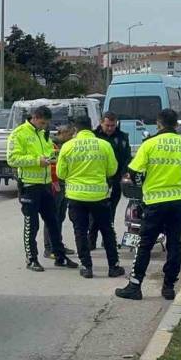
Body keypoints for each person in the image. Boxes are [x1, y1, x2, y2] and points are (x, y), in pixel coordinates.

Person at [116, 109, 181, 301]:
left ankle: (135, 286)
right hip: (178, 203)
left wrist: (141, 185)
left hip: (154, 203)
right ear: (177, 125)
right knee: (174, 244)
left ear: (158, 124)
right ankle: (169, 287)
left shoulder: (149, 144)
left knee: (145, 245)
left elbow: (133, 171)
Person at [7, 106, 79, 271]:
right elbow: (12, 159)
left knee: (53, 222)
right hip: (29, 185)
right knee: (31, 225)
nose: (44, 126)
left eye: (46, 123)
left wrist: (54, 158)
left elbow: (48, 153)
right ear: (34, 117)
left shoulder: (43, 134)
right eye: (42, 123)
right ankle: (31, 259)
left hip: (46, 184)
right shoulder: (19, 133)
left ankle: (59, 256)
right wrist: (37, 161)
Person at [57, 114, 124, 279]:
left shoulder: (67, 146)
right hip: (99, 196)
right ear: (92, 127)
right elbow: (112, 170)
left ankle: (86, 267)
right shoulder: (104, 145)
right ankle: (113, 266)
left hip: (76, 196)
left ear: (75, 129)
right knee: (107, 231)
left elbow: (60, 173)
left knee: (80, 231)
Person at [89, 112, 131, 249]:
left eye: (113, 125)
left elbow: (126, 158)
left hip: (116, 180)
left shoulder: (122, 137)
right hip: (98, 179)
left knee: (110, 210)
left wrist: (124, 175)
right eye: (107, 125)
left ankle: (107, 240)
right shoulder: (93, 136)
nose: (110, 128)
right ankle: (91, 240)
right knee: (95, 212)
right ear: (101, 123)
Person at [44, 125, 76, 259]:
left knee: (60, 216)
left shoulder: (63, 146)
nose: (71, 137)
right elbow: (53, 166)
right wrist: (55, 182)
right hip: (55, 184)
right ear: (62, 133)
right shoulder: (52, 146)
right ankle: (49, 248)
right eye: (70, 135)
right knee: (52, 216)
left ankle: (58, 244)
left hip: (64, 184)